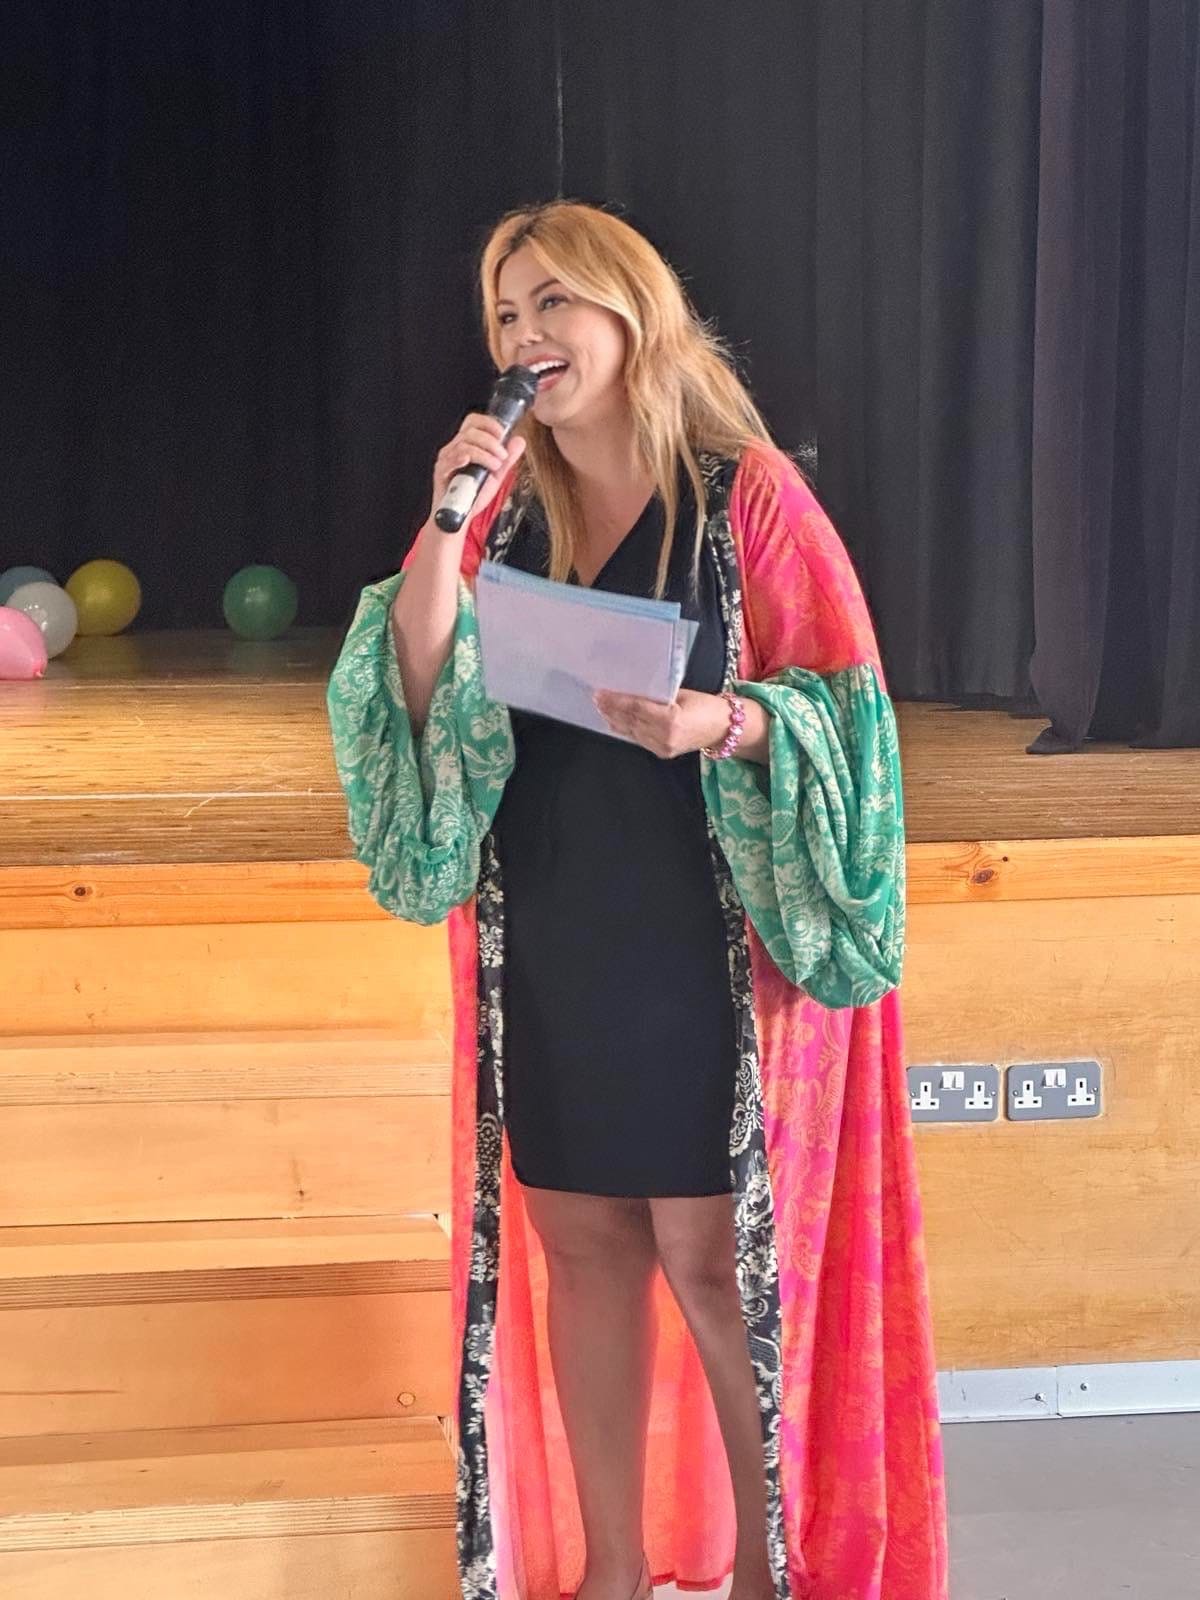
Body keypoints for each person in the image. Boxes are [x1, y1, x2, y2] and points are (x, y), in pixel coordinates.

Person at [327, 201, 948, 1600]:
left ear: (633, 313)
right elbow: (407, 682)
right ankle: (609, 1572)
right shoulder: (505, 506)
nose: (525, 336)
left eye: (554, 303)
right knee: (582, 1244)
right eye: (506, 314)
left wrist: (723, 722)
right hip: (556, 916)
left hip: (700, 928)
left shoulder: (747, 497)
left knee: (712, 1257)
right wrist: (445, 519)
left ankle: (766, 1574)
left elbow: (853, 725)